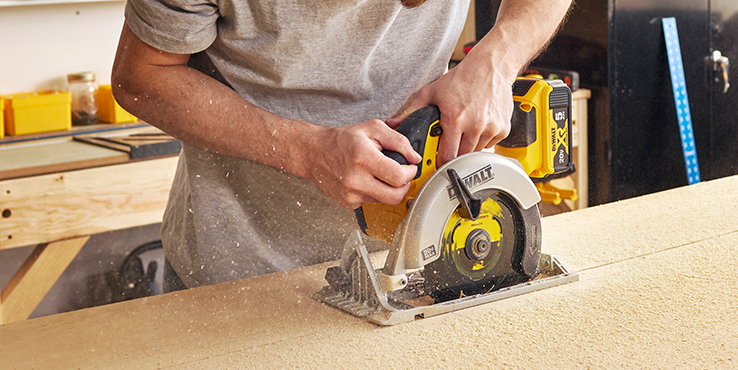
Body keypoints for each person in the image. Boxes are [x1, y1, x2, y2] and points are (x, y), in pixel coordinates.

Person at [111, 0, 572, 292]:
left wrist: (497, 58)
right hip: (244, 267)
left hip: (423, 256)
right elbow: (142, 78)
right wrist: (306, 151)